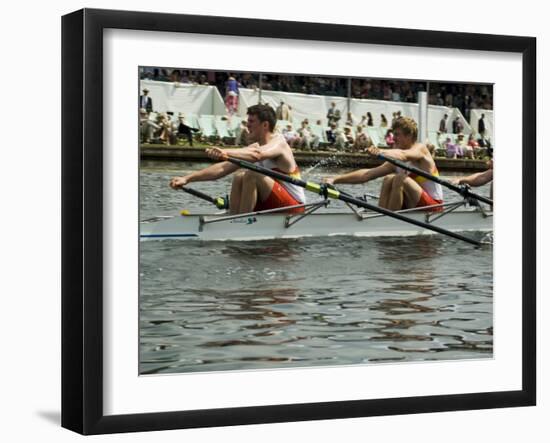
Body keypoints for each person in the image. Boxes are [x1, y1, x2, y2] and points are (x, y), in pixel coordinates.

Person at [169, 104, 306, 214]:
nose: (248, 125)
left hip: (294, 207)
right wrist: (187, 178)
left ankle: (240, 221)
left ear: (265, 125)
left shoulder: (279, 143)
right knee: (239, 175)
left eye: (252, 122)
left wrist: (224, 151)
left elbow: (257, 155)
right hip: (273, 203)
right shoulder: (254, 147)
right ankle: (234, 216)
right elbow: (222, 168)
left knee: (251, 174)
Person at [324, 117, 443, 211]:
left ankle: (388, 220)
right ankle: (381, 214)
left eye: (397, 134)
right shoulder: (395, 160)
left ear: (409, 136)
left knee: (400, 178)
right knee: (388, 178)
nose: (394, 138)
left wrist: (380, 151)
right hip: (413, 203)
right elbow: (367, 175)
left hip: (432, 206)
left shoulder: (421, 149)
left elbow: (403, 155)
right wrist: (335, 179)